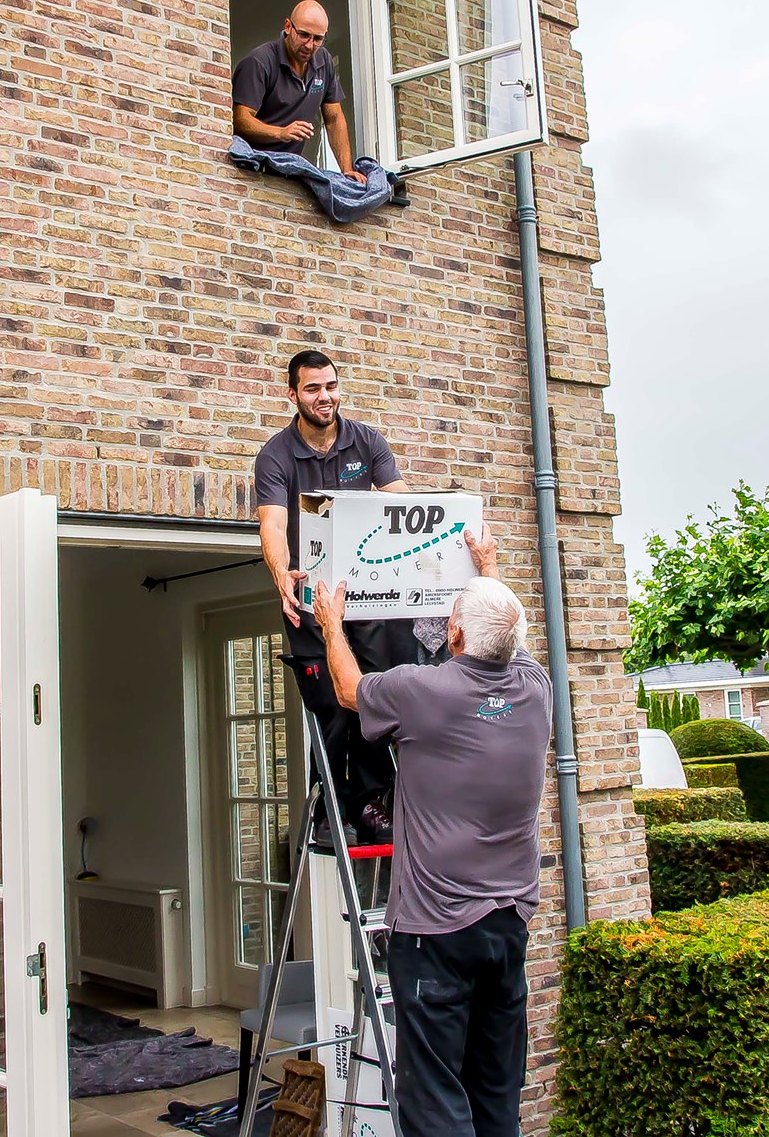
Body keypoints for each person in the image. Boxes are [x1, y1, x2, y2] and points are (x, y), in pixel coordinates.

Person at [313, 527, 550, 1137]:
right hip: (506, 929)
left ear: (456, 635)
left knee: (436, 1101)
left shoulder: (426, 692)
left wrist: (332, 623)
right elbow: (508, 634)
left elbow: (346, 690)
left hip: (437, 934)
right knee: (497, 1093)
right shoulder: (534, 691)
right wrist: (488, 564)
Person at [254, 348, 408, 846]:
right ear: (293, 393)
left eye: (331, 386)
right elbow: (273, 525)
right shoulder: (276, 455)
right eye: (313, 388)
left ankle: (367, 803)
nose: (326, 397)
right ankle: (329, 810)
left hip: (367, 602)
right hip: (310, 605)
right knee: (332, 711)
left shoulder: (368, 442)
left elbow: (400, 504)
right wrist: (281, 573)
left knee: (370, 697)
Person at [232, 0, 368, 185]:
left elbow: (334, 118)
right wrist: (281, 132)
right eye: (304, 35)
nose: (310, 45)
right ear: (288, 26)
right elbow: (239, 120)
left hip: (291, 172)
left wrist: (347, 170)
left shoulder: (324, 61)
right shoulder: (259, 62)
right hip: (252, 170)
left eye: (318, 39)